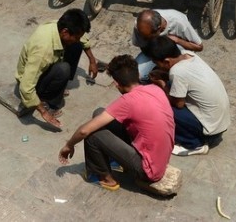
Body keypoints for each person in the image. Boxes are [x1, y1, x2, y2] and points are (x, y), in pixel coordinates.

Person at [58, 55, 175, 191]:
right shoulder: (154, 89)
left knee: (92, 135)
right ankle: (116, 160)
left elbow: (84, 131)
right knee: (99, 113)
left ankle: (104, 178)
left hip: (147, 170)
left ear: (116, 84)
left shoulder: (127, 101)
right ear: (137, 74)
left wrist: (69, 145)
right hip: (161, 157)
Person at [15, 9, 99, 129]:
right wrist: (43, 112)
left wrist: (92, 60)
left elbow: (82, 39)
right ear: (65, 32)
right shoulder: (43, 52)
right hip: (30, 80)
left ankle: (56, 85)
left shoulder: (58, 25)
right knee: (63, 69)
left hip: (44, 67)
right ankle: (49, 101)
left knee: (76, 46)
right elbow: (26, 87)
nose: (78, 38)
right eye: (76, 36)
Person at [149, 36, 230, 156]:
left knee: (160, 103)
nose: (158, 66)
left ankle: (194, 144)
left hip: (209, 130)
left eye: (158, 64)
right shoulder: (188, 55)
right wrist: (165, 76)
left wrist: (162, 84)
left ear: (166, 61)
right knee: (172, 88)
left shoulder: (177, 72)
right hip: (220, 122)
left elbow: (179, 104)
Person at [132, 9, 203, 82]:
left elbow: (199, 47)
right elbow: (143, 47)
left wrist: (178, 40)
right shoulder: (140, 27)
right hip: (153, 52)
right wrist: (157, 62)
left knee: (175, 78)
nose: (143, 38)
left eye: (147, 37)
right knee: (137, 76)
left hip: (176, 51)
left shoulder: (179, 22)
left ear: (159, 29)